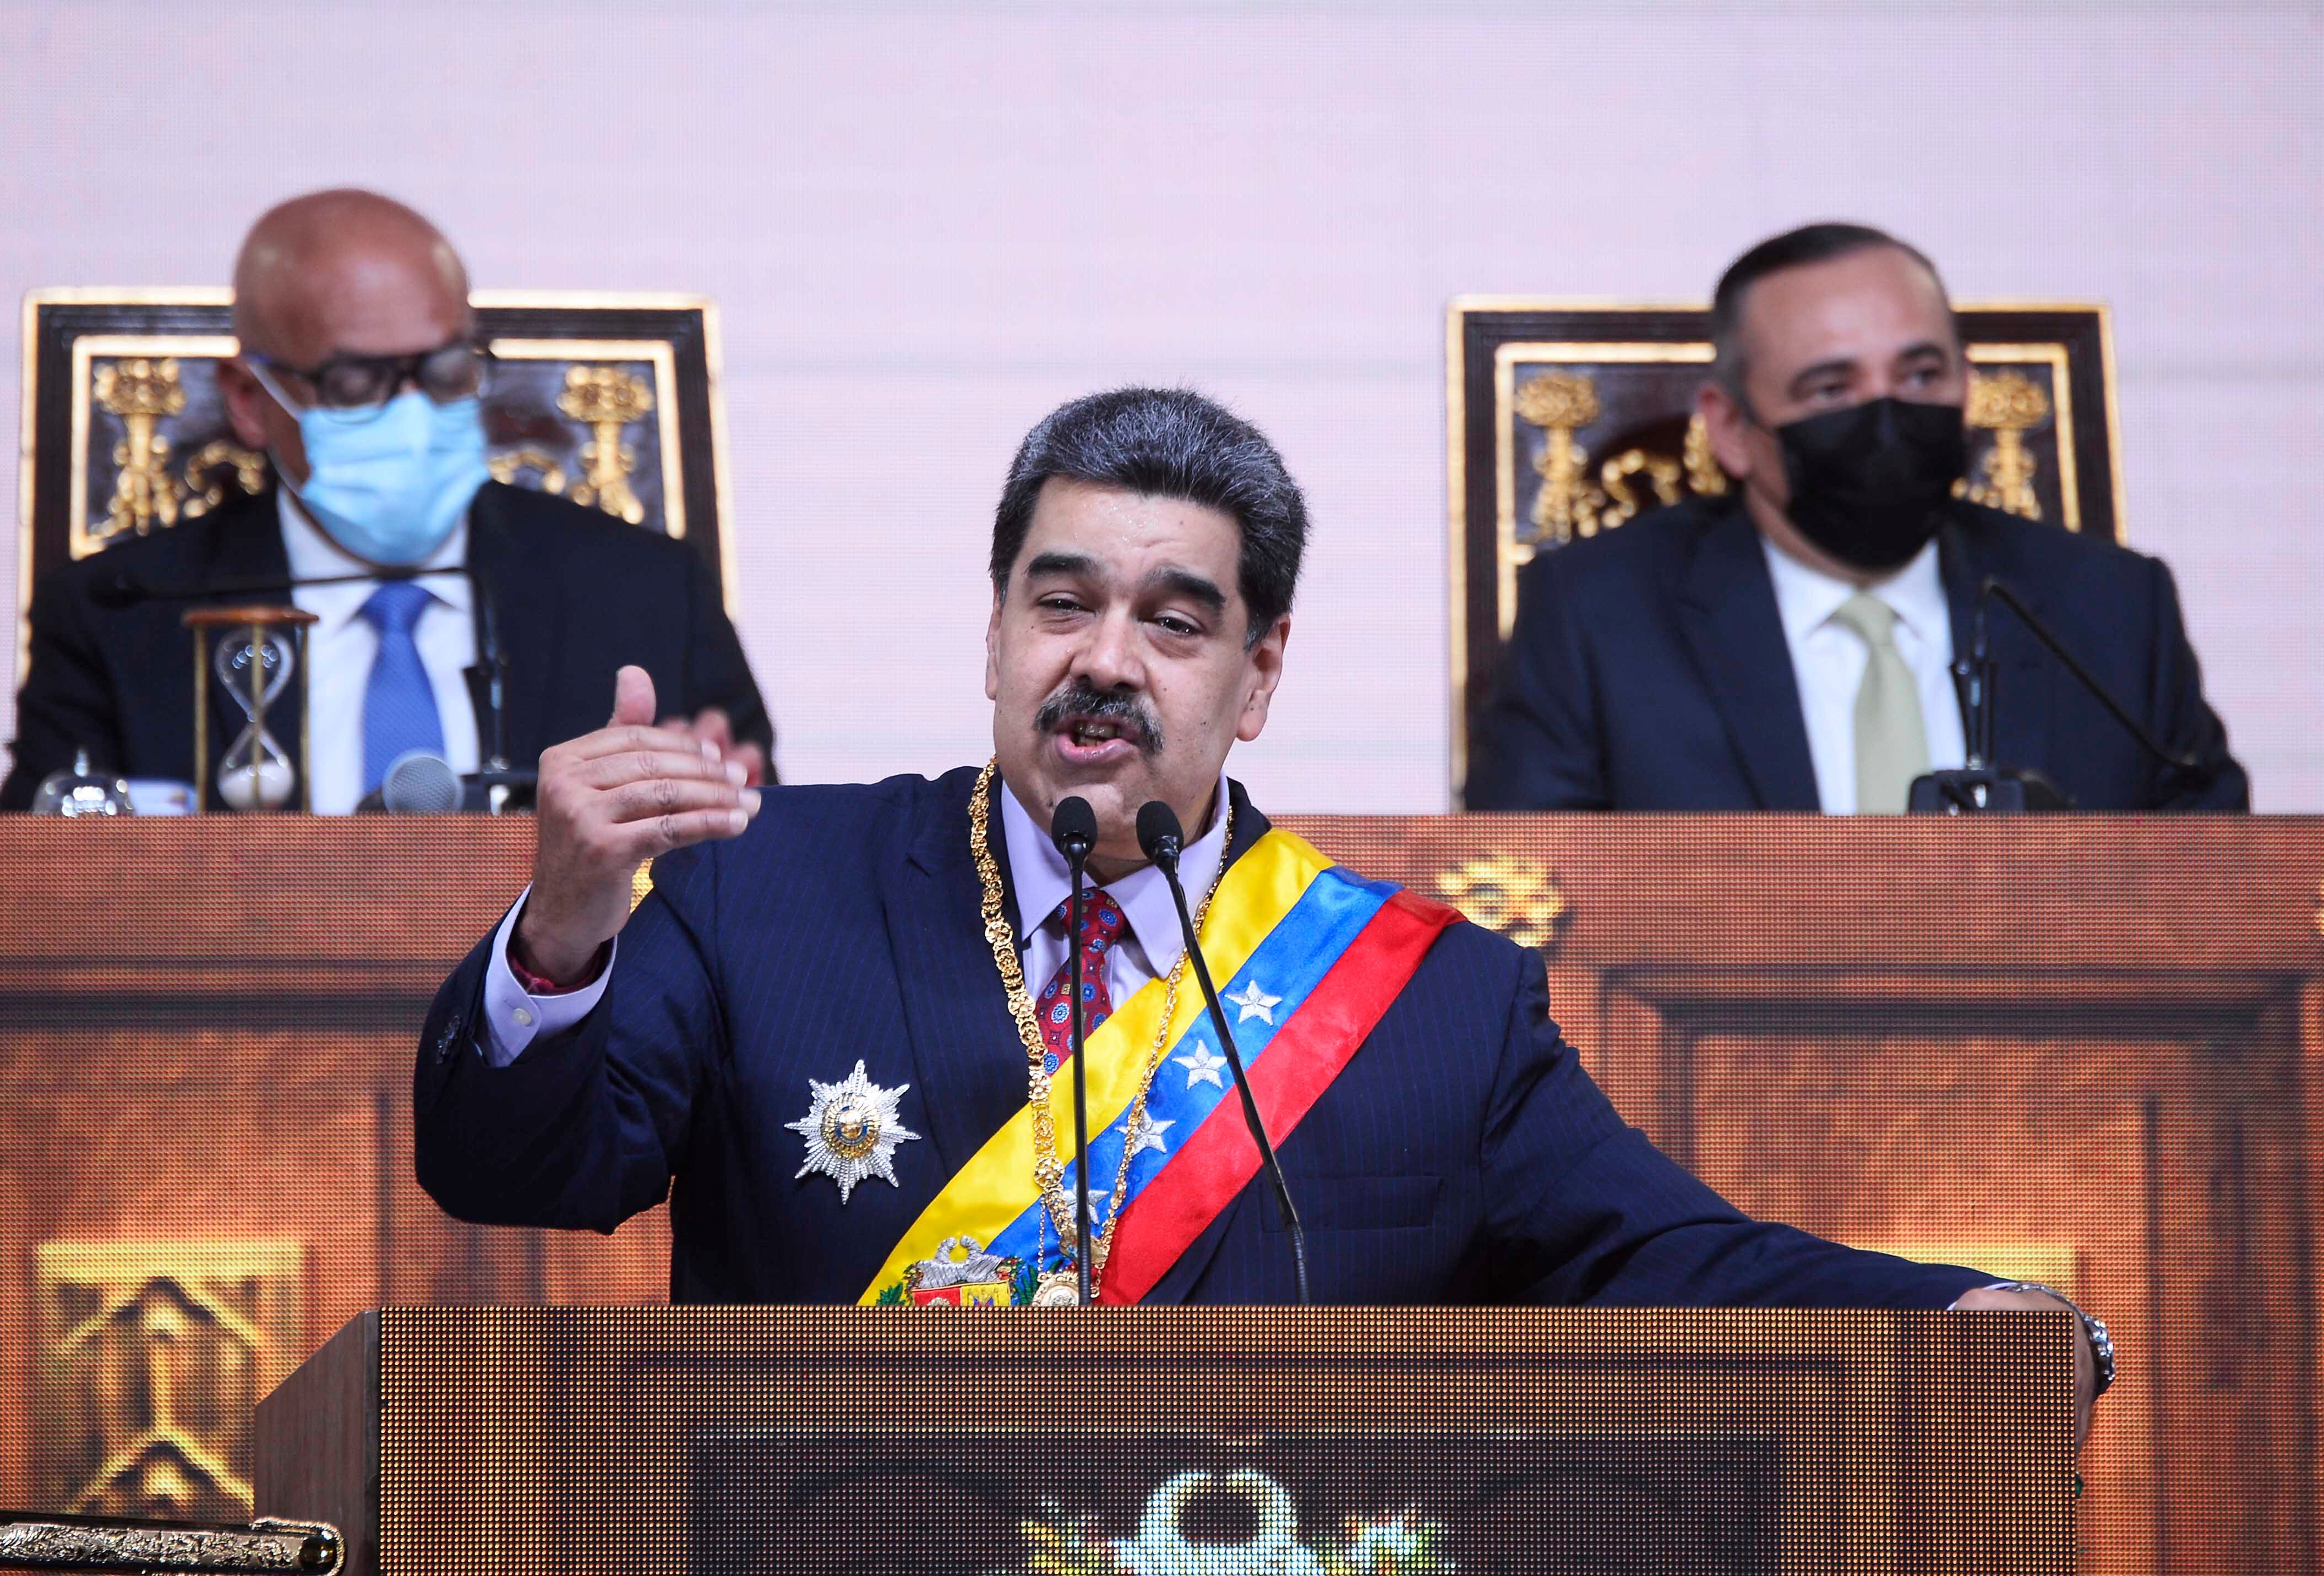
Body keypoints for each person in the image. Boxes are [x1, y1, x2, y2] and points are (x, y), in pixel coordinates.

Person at [412, 387, 2104, 1433]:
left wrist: (1949, 1314)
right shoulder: (763, 884)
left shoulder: (1432, 1002)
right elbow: (511, 1177)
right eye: (1058, 604)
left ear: (1259, 671)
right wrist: (561, 929)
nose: (1102, 661)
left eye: (1172, 621)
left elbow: (1656, 1255)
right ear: (993, 635)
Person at [0, 188, 772, 814]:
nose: (414, 415)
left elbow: (769, 884)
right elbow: (38, 897)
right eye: (355, 383)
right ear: (249, 400)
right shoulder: (118, 615)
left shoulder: (646, 592)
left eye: (445, 373)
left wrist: (718, 805)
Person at [1465, 222, 2246, 814]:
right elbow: (1528, 895)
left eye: (1921, 375)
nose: (1886, 418)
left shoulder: (2110, 609)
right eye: (1832, 390)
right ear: (1730, 428)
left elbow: (2221, 888)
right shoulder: (1596, 617)